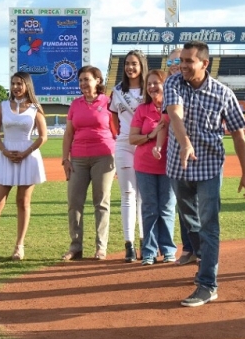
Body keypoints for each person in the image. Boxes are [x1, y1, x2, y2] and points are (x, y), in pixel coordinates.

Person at [164, 41, 245, 307]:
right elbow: (175, 114)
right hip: (178, 164)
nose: (183, 65)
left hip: (210, 166)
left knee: (209, 224)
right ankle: (201, 256)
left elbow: (238, 133)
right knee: (189, 219)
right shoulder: (174, 83)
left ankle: (207, 284)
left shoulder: (224, 93)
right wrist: (185, 143)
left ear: (205, 63)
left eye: (189, 61)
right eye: (181, 60)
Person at [0, 72, 47, 262]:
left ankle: (19, 246)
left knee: (23, 202)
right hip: (6, 156)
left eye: (20, 84)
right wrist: (5, 151)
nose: (16, 87)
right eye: (13, 83)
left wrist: (26, 152)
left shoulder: (35, 107)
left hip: (28, 156)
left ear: (27, 86)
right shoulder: (3, 106)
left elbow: (43, 136)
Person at [61, 66, 116, 261]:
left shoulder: (109, 102)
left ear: (98, 81)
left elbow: (116, 132)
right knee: (74, 203)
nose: (83, 83)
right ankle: (75, 247)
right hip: (78, 159)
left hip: (104, 156)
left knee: (101, 203)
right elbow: (69, 133)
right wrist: (65, 159)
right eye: (81, 80)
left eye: (87, 79)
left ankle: (101, 247)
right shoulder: (75, 104)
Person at [129, 69, 177, 265]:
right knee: (149, 208)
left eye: (156, 83)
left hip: (169, 164)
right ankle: (149, 251)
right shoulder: (142, 110)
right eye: (149, 84)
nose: (152, 87)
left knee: (166, 208)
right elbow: (132, 138)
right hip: (145, 165)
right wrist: (151, 135)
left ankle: (167, 250)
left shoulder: (174, 107)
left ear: (165, 84)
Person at [109, 49, 148, 262]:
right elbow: (114, 120)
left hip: (144, 144)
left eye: (134, 63)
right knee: (127, 194)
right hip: (124, 145)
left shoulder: (149, 90)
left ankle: (144, 242)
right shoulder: (117, 92)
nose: (130, 67)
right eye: (127, 64)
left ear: (141, 66)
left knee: (143, 196)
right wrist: (123, 136)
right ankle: (129, 244)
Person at [166, 47, 196, 266]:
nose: (176, 66)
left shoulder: (196, 85)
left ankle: (202, 249)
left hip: (199, 154)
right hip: (175, 155)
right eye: (171, 64)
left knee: (200, 205)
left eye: (179, 61)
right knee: (183, 205)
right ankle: (189, 249)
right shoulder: (168, 87)